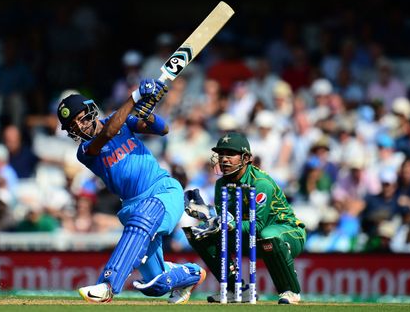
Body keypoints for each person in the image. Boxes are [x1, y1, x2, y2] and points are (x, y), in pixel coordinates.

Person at [56, 78, 206, 304]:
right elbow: (107, 133)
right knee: (157, 284)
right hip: (133, 206)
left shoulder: (124, 123)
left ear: (90, 111)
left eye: (80, 118)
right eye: (72, 126)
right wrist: (135, 98)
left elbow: (163, 129)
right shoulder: (85, 150)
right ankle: (192, 273)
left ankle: (108, 285)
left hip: (163, 191)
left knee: (144, 215)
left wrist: (148, 113)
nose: (79, 126)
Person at [182, 132, 306, 304]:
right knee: (199, 234)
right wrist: (206, 214)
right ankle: (236, 290)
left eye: (230, 154)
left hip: (287, 232)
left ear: (246, 158)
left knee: (267, 234)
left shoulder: (260, 183)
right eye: (221, 155)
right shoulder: (221, 184)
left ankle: (290, 291)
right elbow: (224, 219)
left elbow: (259, 226)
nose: (224, 159)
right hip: (249, 236)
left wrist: (228, 223)